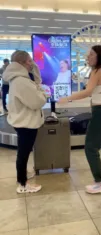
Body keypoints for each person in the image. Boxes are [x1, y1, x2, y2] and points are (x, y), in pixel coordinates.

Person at [58, 45, 101, 194]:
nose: (87, 57)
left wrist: (68, 99)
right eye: (88, 54)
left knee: (91, 147)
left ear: (99, 56)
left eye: (91, 55)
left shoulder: (97, 71)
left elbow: (88, 91)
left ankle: (100, 182)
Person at [3, 50, 46, 194]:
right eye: (29, 61)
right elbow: (37, 102)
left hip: (21, 121)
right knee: (23, 153)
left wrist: (35, 71)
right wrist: (43, 94)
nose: (31, 64)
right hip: (26, 123)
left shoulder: (18, 78)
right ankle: (22, 183)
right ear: (20, 63)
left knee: (23, 152)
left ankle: (22, 178)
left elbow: (37, 83)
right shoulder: (21, 81)